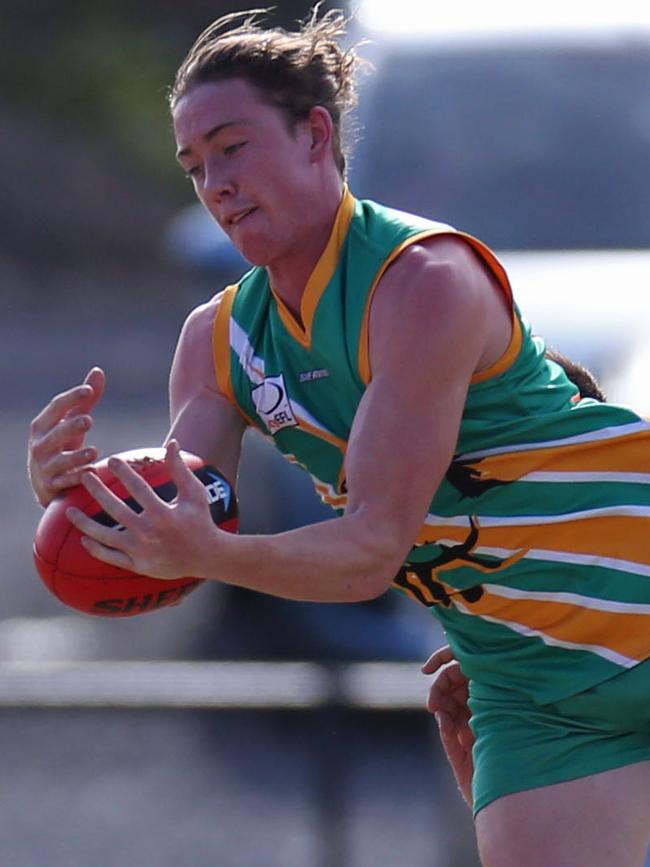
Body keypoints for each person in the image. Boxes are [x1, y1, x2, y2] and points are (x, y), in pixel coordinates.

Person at [27, 8, 650, 866]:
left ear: (316, 135)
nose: (215, 182)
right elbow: (182, 507)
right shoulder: (218, 341)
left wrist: (202, 553)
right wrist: (82, 499)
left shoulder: (421, 282)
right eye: (195, 164)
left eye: (234, 146)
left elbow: (367, 551)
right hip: (531, 687)